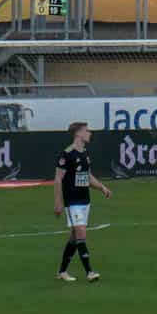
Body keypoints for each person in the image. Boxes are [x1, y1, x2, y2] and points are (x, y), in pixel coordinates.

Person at [53, 121, 112, 283]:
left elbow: (88, 177)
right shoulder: (67, 154)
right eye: (87, 130)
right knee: (81, 232)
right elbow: (58, 178)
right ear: (78, 133)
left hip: (84, 200)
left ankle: (62, 272)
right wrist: (58, 202)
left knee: (74, 237)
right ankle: (90, 272)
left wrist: (102, 188)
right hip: (72, 201)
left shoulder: (85, 153)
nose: (90, 133)